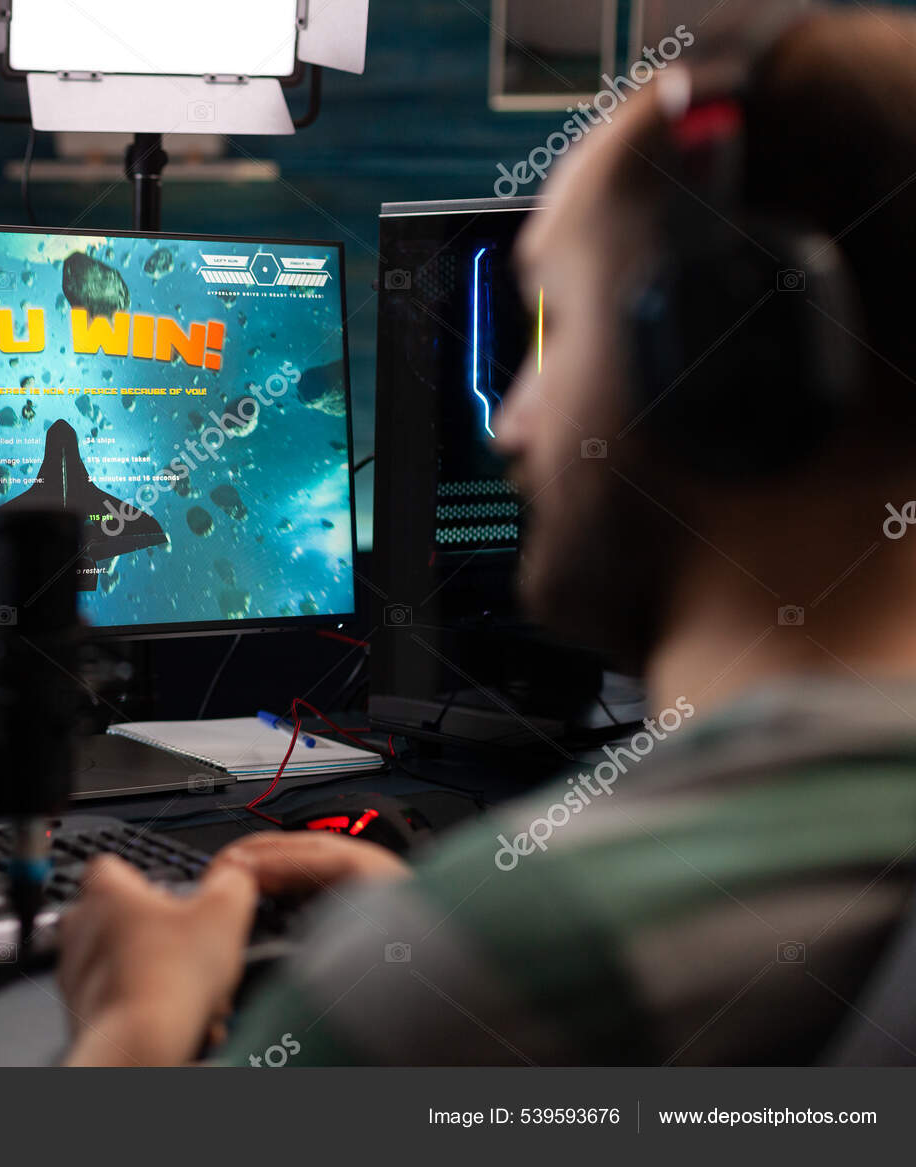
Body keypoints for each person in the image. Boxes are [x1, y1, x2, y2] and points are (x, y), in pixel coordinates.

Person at [56, 5, 916, 1067]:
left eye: (557, 321)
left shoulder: (501, 967)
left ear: (722, 362)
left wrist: (134, 1021)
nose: (508, 420)